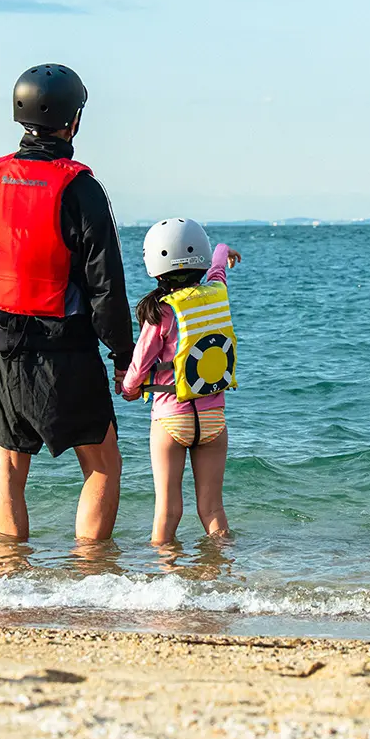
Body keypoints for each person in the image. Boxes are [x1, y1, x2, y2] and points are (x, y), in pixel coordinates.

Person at [0, 63, 134, 543]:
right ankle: (90, 573)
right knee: (102, 465)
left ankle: (10, 576)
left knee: (8, 466)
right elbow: (106, 285)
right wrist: (122, 357)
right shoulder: (82, 188)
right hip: (65, 348)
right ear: (73, 120)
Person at [120, 219, 240, 544]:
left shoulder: (161, 313)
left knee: (168, 510)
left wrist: (128, 390)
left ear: (155, 268)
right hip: (214, 420)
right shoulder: (216, 290)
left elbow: (139, 364)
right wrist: (225, 251)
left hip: (172, 420)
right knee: (213, 509)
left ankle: (166, 582)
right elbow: (217, 262)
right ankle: (221, 574)